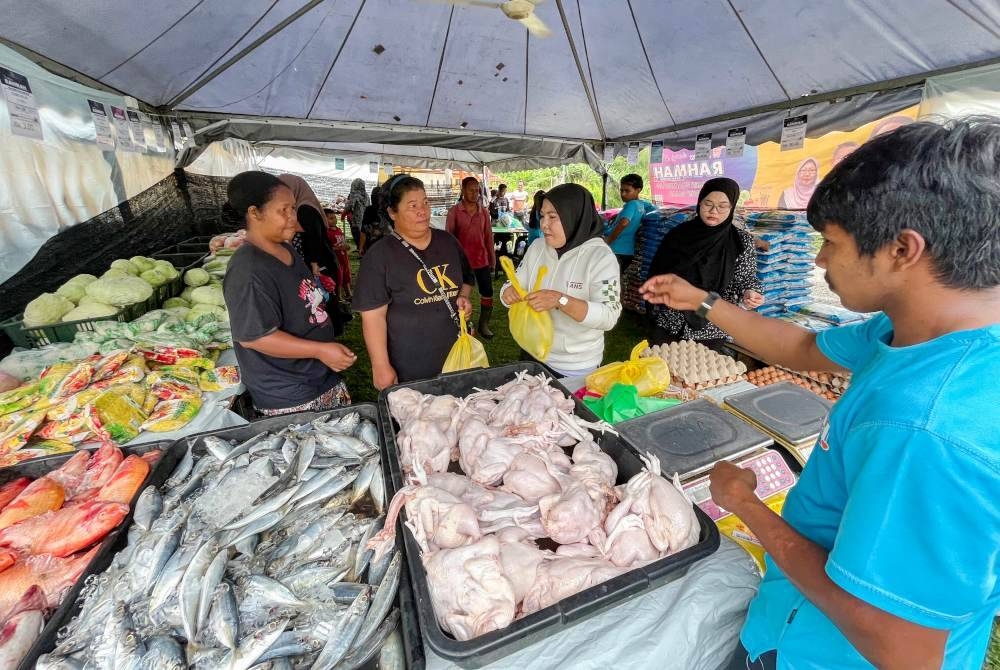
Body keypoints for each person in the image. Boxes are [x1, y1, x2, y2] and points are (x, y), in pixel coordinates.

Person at [641, 118, 1000, 670]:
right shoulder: (913, 331)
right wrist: (704, 302)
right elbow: (802, 346)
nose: (818, 261)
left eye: (831, 244)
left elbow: (901, 648)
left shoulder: (925, 426)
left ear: (903, 249)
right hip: (790, 621)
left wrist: (745, 506)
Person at [222, 171, 356, 416]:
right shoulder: (248, 270)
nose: (293, 218)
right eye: (283, 211)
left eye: (293, 208)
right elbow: (255, 337)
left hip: (316, 375)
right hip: (289, 392)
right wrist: (320, 350)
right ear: (254, 213)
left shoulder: (285, 248)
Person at [354, 174, 475, 388]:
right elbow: (373, 317)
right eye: (412, 206)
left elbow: (466, 280)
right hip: (409, 365)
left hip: (456, 356)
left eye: (425, 203)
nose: (423, 211)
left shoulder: (447, 242)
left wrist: (463, 298)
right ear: (392, 212)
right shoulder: (380, 255)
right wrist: (380, 366)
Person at [500, 183, 622, 377]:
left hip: (574, 367)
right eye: (542, 215)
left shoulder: (601, 258)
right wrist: (507, 292)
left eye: (552, 217)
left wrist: (560, 300)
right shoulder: (538, 247)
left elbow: (609, 314)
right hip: (532, 351)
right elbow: (515, 281)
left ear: (574, 217)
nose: (543, 224)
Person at [646, 177, 763, 347]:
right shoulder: (679, 235)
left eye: (722, 206)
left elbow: (745, 278)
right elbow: (658, 271)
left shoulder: (740, 242)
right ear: (699, 203)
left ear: (732, 208)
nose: (714, 211)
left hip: (711, 325)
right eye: (708, 203)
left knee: (700, 371)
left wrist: (750, 291)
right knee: (661, 369)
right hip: (671, 320)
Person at [446, 176, 496, 338]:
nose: (475, 193)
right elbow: (449, 239)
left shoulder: (484, 212)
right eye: (471, 190)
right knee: (460, 295)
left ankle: (484, 325)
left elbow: (489, 237)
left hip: (481, 260)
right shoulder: (455, 212)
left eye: (477, 190)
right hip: (461, 263)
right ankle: (463, 325)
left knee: (487, 292)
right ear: (463, 191)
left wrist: (492, 259)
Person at [604, 173, 651, 272]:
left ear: (638, 190)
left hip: (617, 250)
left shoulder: (631, 204)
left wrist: (608, 241)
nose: (623, 194)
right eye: (621, 190)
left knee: (608, 282)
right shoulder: (641, 205)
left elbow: (624, 223)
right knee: (613, 281)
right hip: (627, 251)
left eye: (627, 191)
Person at [323, 207, 352, 302]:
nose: (334, 220)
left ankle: (348, 293)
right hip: (337, 259)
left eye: (334, 217)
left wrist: (346, 246)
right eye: (331, 218)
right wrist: (339, 248)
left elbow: (343, 242)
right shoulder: (326, 232)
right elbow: (328, 247)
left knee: (346, 276)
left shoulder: (338, 230)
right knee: (339, 278)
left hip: (344, 258)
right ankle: (339, 297)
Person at [359, 185, 388, 255]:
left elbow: (364, 231)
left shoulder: (369, 210)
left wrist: (361, 247)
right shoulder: (389, 210)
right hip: (386, 245)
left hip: (372, 245)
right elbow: (364, 230)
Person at [345, 178, 368, 250]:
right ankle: (363, 249)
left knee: (356, 233)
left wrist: (346, 203)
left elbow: (349, 207)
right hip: (365, 217)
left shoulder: (355, 195)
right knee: (364, 234)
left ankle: (360, 249)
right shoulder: (366, 195)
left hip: (357, 218)